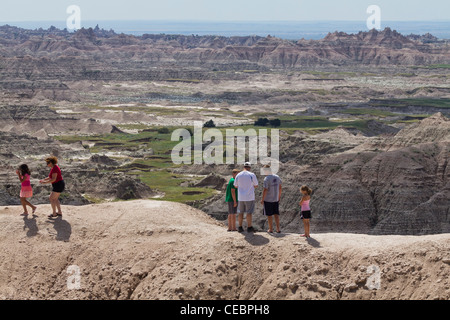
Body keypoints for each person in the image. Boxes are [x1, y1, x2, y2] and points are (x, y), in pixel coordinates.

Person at [234, 162, 258, 232]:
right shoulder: (251, 174)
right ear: (249, 168)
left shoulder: (238, 175)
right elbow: (256, 185)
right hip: (249, 197)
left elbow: (235, 185)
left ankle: (240, 227)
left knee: (240, 212)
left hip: (240, 197)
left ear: (243, 167)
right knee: (249, 212)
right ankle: (249, 227)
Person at [260, 165, 282, 233]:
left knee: (269, 215)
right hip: (275, 199)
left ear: (266, 170)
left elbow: (265, 189)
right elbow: (280, 187)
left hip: (268, 199)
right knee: (276, 214)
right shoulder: (277, 177)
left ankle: (271, 229)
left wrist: (262, 199)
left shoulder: (267, 179)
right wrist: (279, 196)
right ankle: (278, 229)